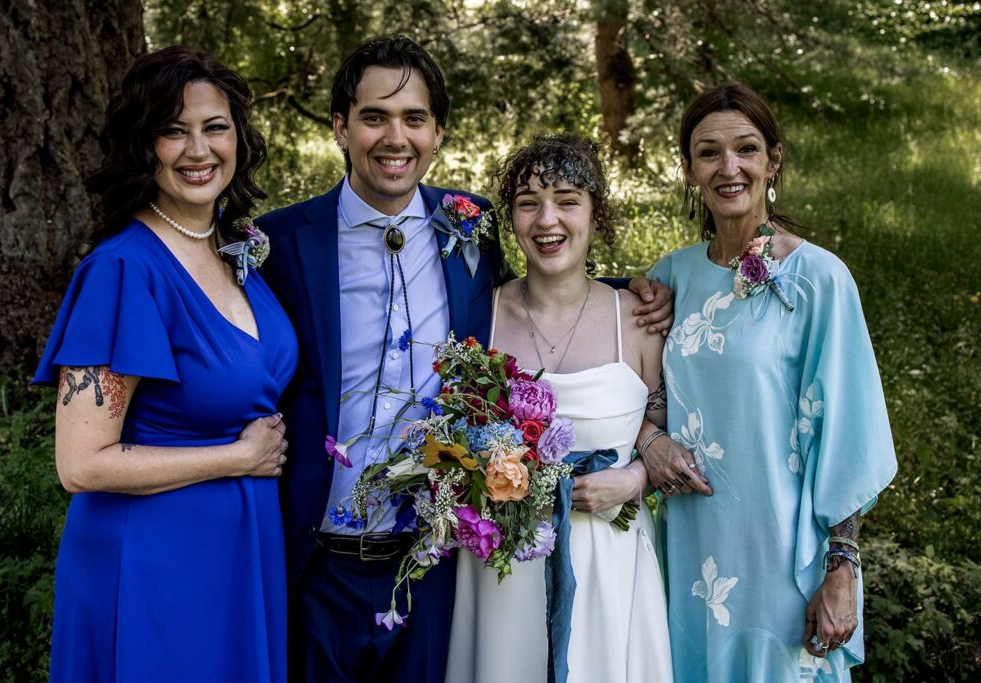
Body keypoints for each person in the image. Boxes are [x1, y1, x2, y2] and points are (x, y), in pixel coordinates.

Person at [256, 36, 673, 683]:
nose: (396, 137)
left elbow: (555, 281)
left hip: (439, 565)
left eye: (414, 119)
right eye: (374, 117)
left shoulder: (465, 230)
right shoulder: (283, 243)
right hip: (318, 563)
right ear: (340, 125)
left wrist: (631, 289)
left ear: (438, 131)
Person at [32, 47, 296, 682]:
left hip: (239, 551)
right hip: (154, 563)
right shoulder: (123, 271)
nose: (198, 150)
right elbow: (81, 464)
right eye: (173, 131)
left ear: (239, 137)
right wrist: (235, 459)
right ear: (142, 145)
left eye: (214, 127)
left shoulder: (237, 252)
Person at [643, 83, 898, 681]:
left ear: (772, 161)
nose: (728, 168)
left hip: (780, 554)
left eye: (746, 149)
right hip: (688, 545)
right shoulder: (668, 277)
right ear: (688, 169)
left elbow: (849, 429)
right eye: (709, 153)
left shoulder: (818, 280)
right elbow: (635, 401)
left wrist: (842, 568)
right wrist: (648, 443)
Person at [444, 134, 675, 683]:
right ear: (513, 219)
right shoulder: (482, 316)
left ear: (597, 215)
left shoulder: (639, 321)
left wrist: (637, 478)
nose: (548, 218)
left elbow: (664, 432)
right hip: (504, 564)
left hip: (611, 558)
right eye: (528, 202)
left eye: (568, 200)